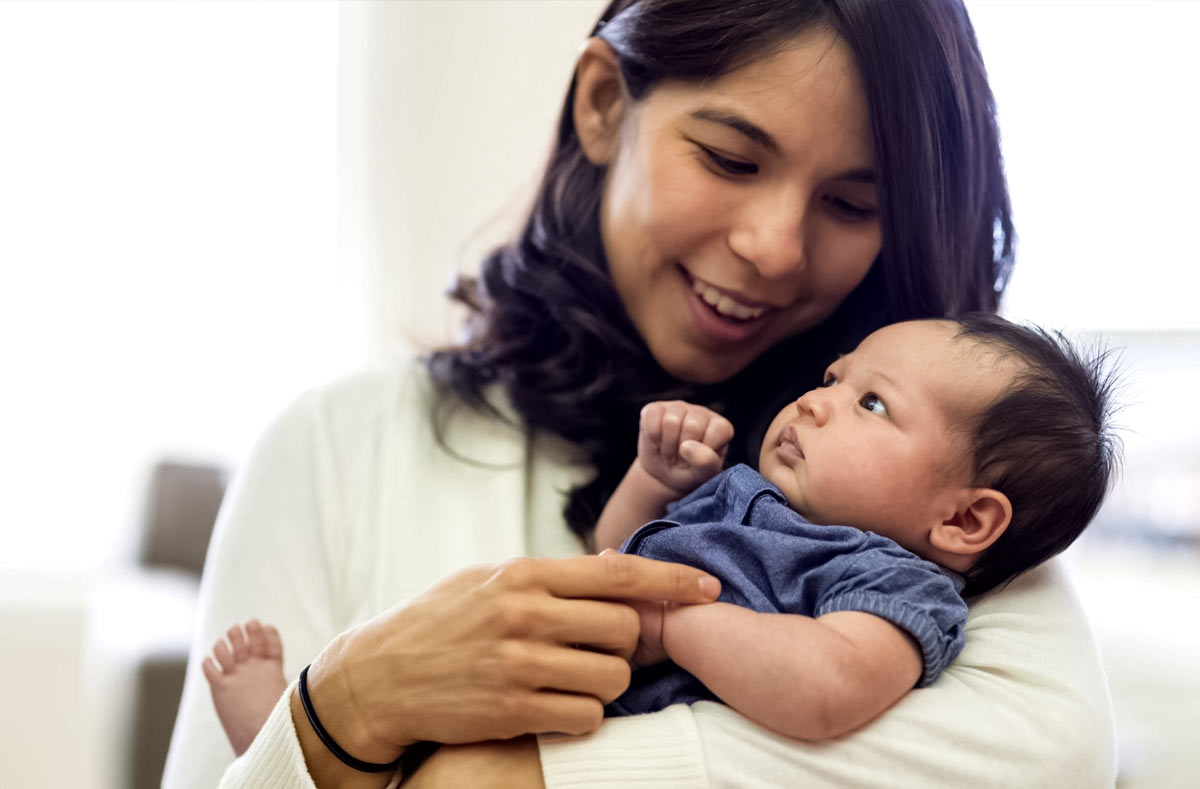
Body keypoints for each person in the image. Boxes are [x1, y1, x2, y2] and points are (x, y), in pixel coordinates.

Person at [164, 1, 1119, 787]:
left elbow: (1048, 755)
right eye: (731, 159)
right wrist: (345, 706)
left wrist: (509, 778)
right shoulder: (335, 444)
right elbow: (615, 561)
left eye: (852, 204)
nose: (775, 247)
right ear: (603, 106)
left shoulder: (927, 506)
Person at [200, 315, 1118, 753]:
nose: (818, 400)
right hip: (554, 681)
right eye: (836, 377)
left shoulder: (891, 583)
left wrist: (674, 622)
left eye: (871, 403)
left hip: (604, 736)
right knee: (437, 723)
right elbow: (615, 552)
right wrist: (654, 483)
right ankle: (283, 733)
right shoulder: (746, 495)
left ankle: (292, 743)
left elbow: (826, 689)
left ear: (964, 518)